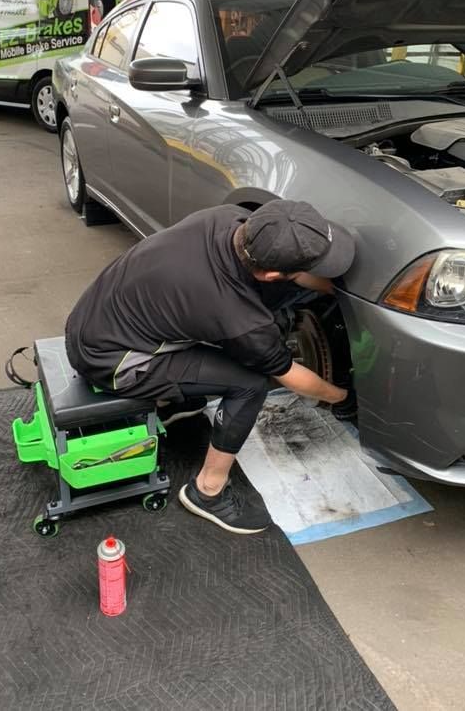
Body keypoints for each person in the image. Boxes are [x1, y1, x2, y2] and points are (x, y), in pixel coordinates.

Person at [65, 200, 355, 535]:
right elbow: (293, 379)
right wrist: (342, 397)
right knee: (250, 383)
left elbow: (291, 278)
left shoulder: (225, 217)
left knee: (250, 324)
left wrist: (345, 295)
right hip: (111, 361)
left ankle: (174, 402)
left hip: (92, 319)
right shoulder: (237, 318)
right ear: (272, 272)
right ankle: (207, 490)